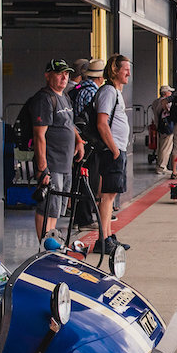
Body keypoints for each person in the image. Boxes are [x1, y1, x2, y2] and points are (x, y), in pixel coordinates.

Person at [30, 59, 84, 240]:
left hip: (65, 163)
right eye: (59, 73)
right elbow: (39, 136)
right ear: (48, 75)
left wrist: (78, 141)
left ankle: (51, 243)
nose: (64, 77)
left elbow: (69, 124)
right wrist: (43, 168)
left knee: (57, 208)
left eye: (67, 74)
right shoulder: (45, 99)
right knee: (47, 207)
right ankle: (45, 246)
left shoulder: (64, 96)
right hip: (51, 164)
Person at [96, 54, 132, 252]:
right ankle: (103, 240)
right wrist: (115, 150)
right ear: (114, 70)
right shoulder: (109, 91)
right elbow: (102, 123)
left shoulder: (116, 92)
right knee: (107, 197)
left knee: (111, 197)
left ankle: (108, 236)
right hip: (112, 152)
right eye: (125, 69)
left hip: (117, 150)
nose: (128, 72)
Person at [70, 59, 104, 227]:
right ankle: (85, 218)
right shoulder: (93, 92)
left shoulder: (77, 89)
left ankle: (80, 216)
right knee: (89, 180)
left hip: (77, 139)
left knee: (80, 178)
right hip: (89, 142)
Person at [151, 85, 175, 177]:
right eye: (169, 92)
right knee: (166, 148)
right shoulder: (166, 103)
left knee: (161, 148)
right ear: (165, 93)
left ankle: (159, 166)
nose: (171, 93)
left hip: (160, 126)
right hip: (167, 127)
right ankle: (162, 167)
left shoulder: (155, 102)